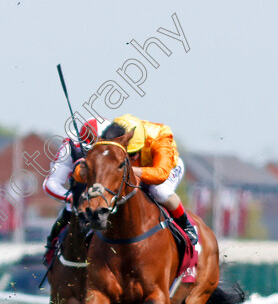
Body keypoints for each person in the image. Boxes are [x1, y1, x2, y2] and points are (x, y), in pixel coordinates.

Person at [77, 114, 198, 245]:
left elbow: (160, 174)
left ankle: (185, 224)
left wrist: (128, 169)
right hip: (129, 167)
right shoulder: (111, 135)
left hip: (166, 167)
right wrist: (80, 172)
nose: (131, 159)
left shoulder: (161, 136)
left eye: (133, 154)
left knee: (159, 191)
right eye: (127, 155)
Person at [42, 117, 108, 265]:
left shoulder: (121, 146)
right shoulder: (69, 148)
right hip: (79, 205)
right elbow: (50, 184)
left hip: (110, 202)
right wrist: (71, 197)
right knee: (62, 221)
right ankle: (51, 253)